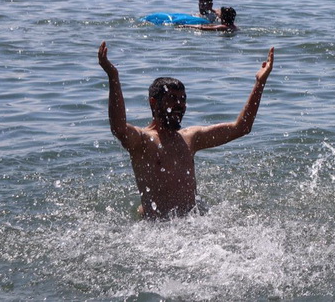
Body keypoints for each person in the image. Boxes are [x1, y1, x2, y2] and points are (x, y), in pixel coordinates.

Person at [97, 41, 274, 219]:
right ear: (153, 102)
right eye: (172, 99)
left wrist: (260, 82)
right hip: (158, 228)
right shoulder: (142, 140)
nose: (179, 105)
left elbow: (241, 127)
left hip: (193, 222)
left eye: (182, 99)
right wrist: (113, 76)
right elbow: (118, 128)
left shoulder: (190, 138)